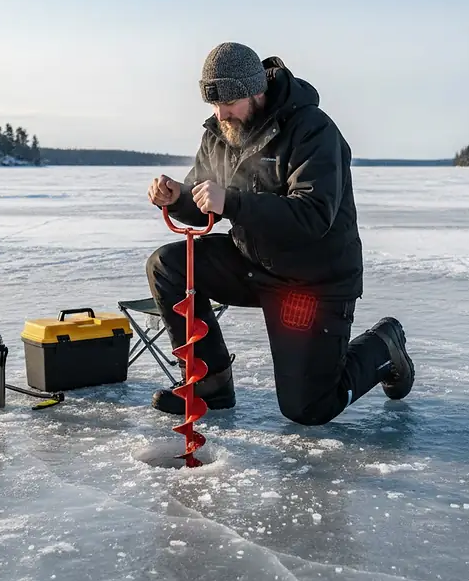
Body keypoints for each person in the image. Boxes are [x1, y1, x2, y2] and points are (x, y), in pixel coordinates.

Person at [145, 42, 414, 425]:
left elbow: (313, 215)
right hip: (252, 264)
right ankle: (210, 382)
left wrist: (233, 202)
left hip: (311, 281)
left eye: (230, 102)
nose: (221, 113)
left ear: (257, 91)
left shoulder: (312, 130)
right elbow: (203, 200)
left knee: (308, 408)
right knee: (168, 265)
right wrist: (176, 198)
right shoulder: (221, 133)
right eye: (214, 104)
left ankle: (384, 345)